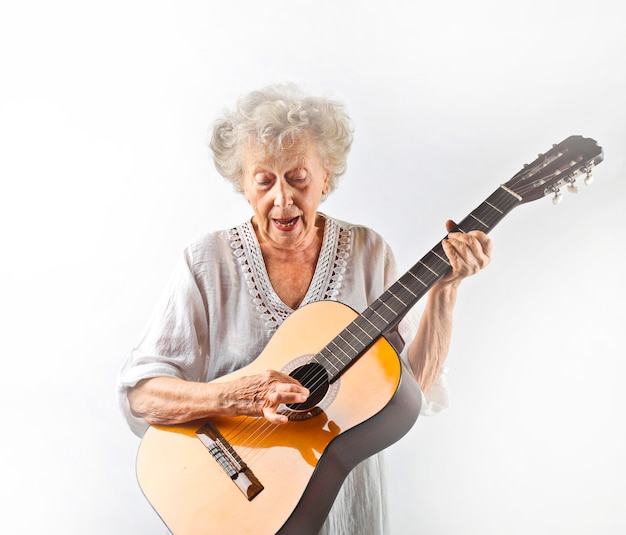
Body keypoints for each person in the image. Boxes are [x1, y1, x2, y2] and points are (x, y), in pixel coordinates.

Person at [117, 83, 492, 534]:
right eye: (264, 180)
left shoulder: (368, 252)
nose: (282, 198)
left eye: (297, 177)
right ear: (242, 184)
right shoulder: (206, 261)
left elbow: (414, 389)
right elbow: (143, 396)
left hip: (346, 503)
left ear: (326, 177)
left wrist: (445, 291)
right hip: (241, 505)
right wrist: (236, 396)